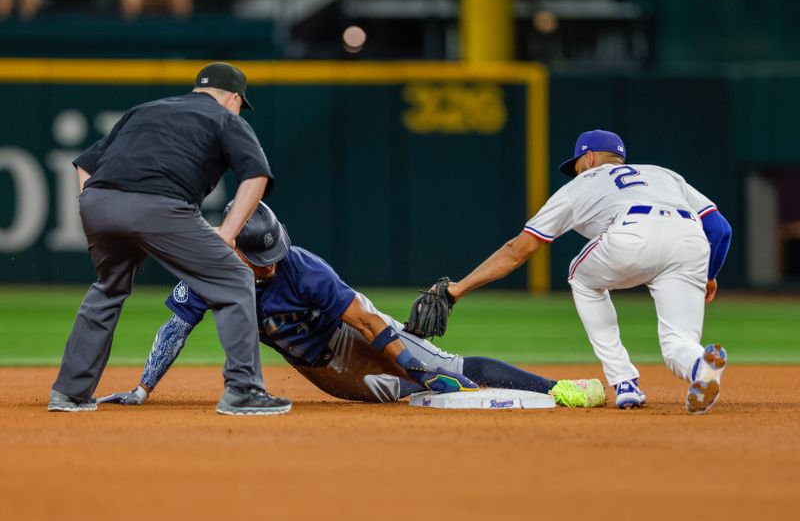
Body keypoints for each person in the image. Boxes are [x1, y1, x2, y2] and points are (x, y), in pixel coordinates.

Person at [97, 202, 606, 409]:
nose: (271, 266)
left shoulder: (303, 267)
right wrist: (142, 389)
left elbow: (363, 321)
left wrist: (412, 360)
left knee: (437, 369)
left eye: (274, 254)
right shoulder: (208, 269)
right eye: (260, 260)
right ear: (229, 245)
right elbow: (175, 328)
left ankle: (558, 389)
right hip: (317, 366)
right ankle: (447, 387)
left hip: (349, 330)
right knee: (402, 397)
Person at [432, 129, 732, 415]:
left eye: (575, 166)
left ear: (588, 159)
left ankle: (624, 381)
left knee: (581, 277)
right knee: (678, 341)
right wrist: (708, 275)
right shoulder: (665, 174)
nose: (575, 173)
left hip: (632, 232)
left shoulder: (577, 187)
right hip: (690, 241)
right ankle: (699, 366)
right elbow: (720, 229)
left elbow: (517, 251)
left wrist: (459, 289)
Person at [49, 62, 291, 417]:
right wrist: (228, 232)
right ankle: (243, 390)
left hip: (98, 203)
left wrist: (93, 204)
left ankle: (69, 393)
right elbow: (255, 176)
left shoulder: (144, 110)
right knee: (233, 277)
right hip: (159, 206)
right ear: (233, 98)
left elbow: (84, 164)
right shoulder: (226, 118)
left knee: (108, 288)